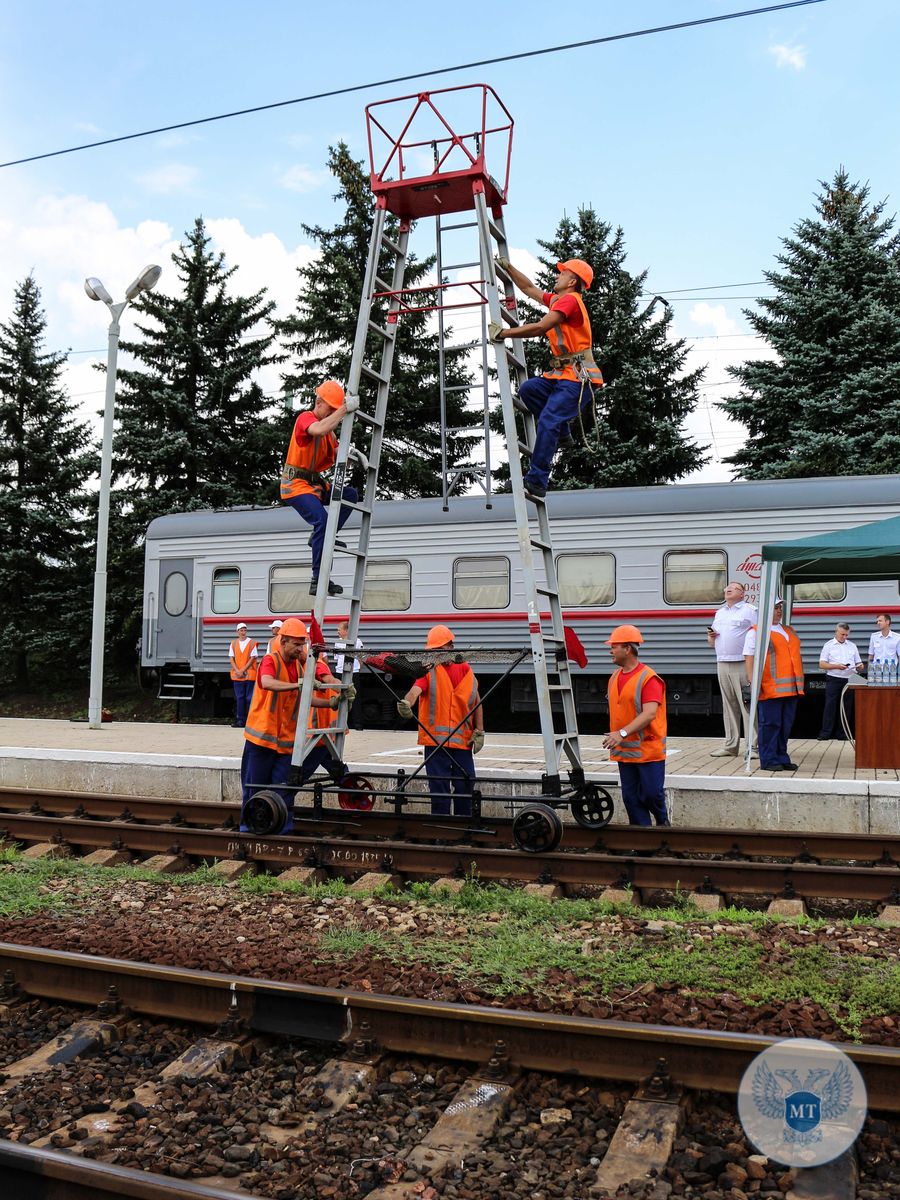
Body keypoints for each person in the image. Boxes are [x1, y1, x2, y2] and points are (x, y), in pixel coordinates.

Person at [492, 258, 603, 501]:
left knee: (548, 420)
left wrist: (503, 334)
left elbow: (542, 328)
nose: (557, 276)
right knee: (530, 389)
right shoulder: (559, 300)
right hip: (562, 374)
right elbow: (529, 289)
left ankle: (536, 481)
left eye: (562, 274)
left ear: (572, 282)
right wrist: (509, 267)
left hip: (578, 379)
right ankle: (563, 432)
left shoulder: (571, 302)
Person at [239, 617, 354, 833]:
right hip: (261, 739)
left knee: (284, 789)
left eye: (302, 644)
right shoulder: (270, 661)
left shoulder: (299, 668)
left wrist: (330, 702)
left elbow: (305, 697)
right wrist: (296, 685)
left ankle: (282, 830)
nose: (300, 649)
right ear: (283, 641)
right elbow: (267, 682)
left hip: (285, 742)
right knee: (255, 787)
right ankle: (249, 829)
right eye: (296, 644)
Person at [280, 379, 359, 597]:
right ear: (319, 402)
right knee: (321, 520)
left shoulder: (330, 431)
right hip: (295, 484)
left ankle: (323, 536)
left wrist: (352, 455)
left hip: (313, 483)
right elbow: (319, 429)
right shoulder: (307, 418)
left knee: (350, 495)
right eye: (331, 408)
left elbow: (335, 452)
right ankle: (317, 579)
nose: (333, 412)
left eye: (335, 409)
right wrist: (344, 409)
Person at [397, 624, 484, 817]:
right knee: (439, 788)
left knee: (466, 784)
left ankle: (463, 825)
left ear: (450, 647)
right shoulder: (429, 671)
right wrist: (406, 703)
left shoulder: (466, 670)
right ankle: (441, 830)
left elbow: (476, 701)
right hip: (436, 742)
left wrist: (480, 731)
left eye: (439, 649)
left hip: (462, 743)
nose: (435, 653)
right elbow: (415, 691)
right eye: (433, 650)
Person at [602, 624, 669, 827]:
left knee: (651, 794)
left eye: (614, 646)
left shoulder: (649, 678)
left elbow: (649, 714)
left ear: (627, 649)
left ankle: (663, 824)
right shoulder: (614, 677)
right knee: (631, 799)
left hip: (648, 750)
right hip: (626, 751)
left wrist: (621, 733)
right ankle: (644, 844)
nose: (610, 650)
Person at [743, 599, 804, 772]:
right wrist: (753, 682)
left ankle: (782, 757)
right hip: (769, 686)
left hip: (791, 687)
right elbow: (749, 658)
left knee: (785, 724)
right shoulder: (756, 632)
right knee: (770, 724)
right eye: (775, 608)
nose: (779, 611)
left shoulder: (788, 630)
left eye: (780, 608)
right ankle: (769, 759)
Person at [707, 581, 758, 757]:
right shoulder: (719, 613)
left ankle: (754, 746)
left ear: (742, 594)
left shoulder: (750, 610)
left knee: (747, 704)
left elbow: (759, 634)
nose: (728, 589)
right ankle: (731, 746)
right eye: (727, 587)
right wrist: (711, 636)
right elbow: (712, 642)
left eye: (734, 588)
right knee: (728, 706)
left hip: (742, 663)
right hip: (722, 662)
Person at [818, 623, 863, 740]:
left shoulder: (852, 646)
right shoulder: (828, 645)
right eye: (842, 634)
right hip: (834, 678)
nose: (844, 637)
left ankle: (842, 734)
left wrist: (860, 666)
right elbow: (822, 664)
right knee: (830, 706)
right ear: (836, 632)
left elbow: (858, 662)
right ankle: (825, 733)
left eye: (847, 635)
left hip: (849, 679)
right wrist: (836, 666)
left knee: (846, 707)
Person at [334, 618, 364, 731]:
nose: (338, 632)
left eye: (339, 629)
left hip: (353, 672)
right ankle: (341, 723)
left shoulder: (357, 641)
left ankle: (358, 723)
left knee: (355, 697)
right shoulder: (338, 642)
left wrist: (358, 668)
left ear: (346, 630)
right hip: (340, 672)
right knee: (340, 698)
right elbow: (337, 658)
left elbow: (361, 657)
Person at [228, 622, 258, 728]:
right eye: (241, 630)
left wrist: (242, 670)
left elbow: (253, 658)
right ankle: (240, 720)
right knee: (240, 698)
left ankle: (249, 721)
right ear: (237, 632)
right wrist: (238, 670)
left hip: (249, 675)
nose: (243, 632)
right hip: (238, 675)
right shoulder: (233, 643)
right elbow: (231, 658)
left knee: (249, 698)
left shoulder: (252, 643)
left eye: (245, 630)